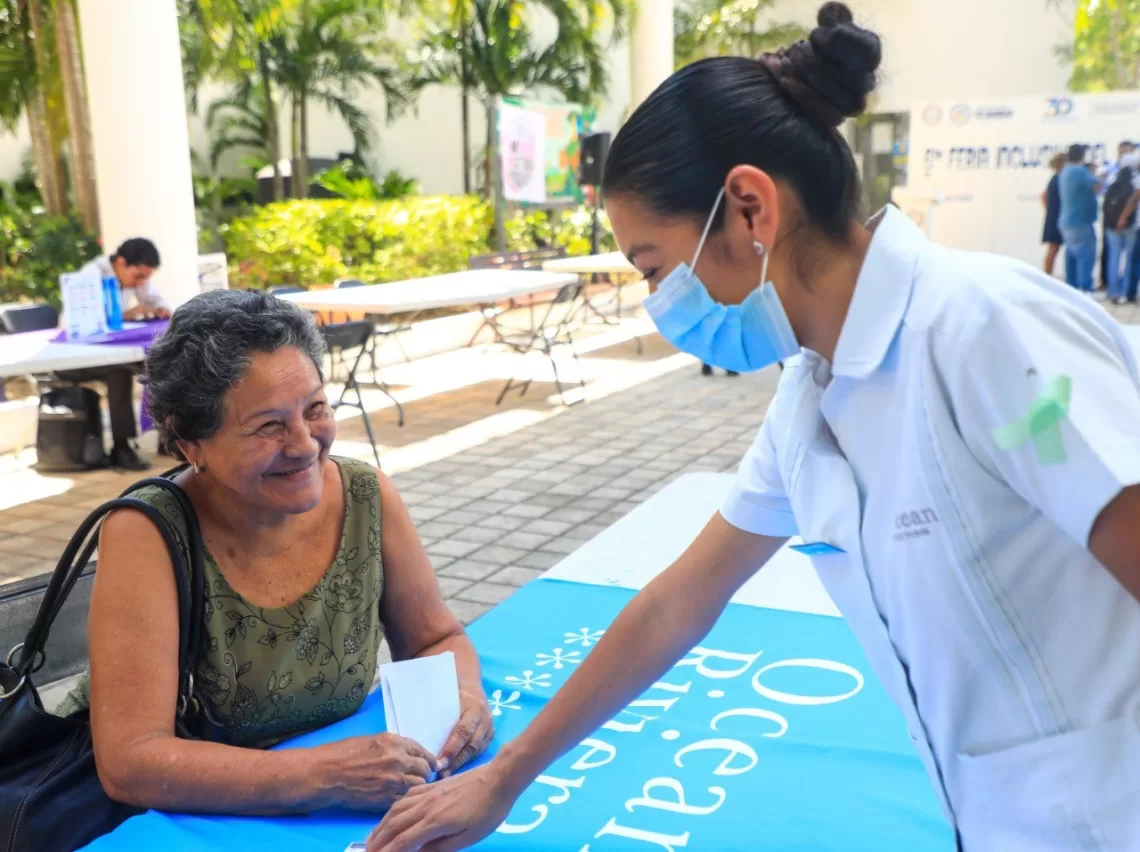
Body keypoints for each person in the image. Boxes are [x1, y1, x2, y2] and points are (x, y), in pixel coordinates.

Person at [368, 4, 1140, 850]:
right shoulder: (812, 398)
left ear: (748, 209)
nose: (662, 305)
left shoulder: (982, 332)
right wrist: (504, 777)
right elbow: (675, 604)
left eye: (654, 268)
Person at [56, 289, 493, 815]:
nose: (306, 444)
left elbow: (435, 637)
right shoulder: (147, 531)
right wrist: (326, 775)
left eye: (314, 409)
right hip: (180, 820)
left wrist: (463, 697)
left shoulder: (365, 495)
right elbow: (131, 762)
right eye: (269, 426)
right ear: (192, 446)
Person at [58, 238, 170, 470]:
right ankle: (122, 447)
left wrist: (159, 307)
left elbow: (153, 298)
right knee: (119, 369)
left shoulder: (134, 278)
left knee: (164, 360)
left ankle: (167, 436)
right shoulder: (90, 275)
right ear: (121, 262)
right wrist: (127, 315)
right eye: (138, 276)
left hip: (109, 352)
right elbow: (75, 323)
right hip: (75, 356)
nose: (141, 282)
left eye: (145, 278)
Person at [1059, 143, 1102, 296]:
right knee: (1086, 256)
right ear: (1082, 156)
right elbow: (1096, 187)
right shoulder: (1079, 171)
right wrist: (1103, 176)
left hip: (1067, 220)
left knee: (1071, 255)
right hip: (1080, 221)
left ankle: (1072, 288)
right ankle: (1085, 289)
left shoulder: (1065, 171)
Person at [1102, 149, 1140, 305]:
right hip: (1131, 224)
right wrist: (1124, 218)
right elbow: (1132, 201)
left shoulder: (1112, 177)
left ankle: (1113, 291)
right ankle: (1126, 291)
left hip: (1112, 223)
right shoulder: (1135, 179)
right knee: (1130, 259)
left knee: (1114, 258)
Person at [1097, 140, 1134, 289]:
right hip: (1111, 217)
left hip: (1132, 219)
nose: (1125, 155)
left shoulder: (1136, 171)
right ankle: (1108, 284)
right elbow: (1100, 189)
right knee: (1109, 252)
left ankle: (1127, 287)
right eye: (1122, 152)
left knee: (1130, 256)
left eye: (1128, 152)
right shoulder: (1110, 169)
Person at [1041, 152, 1065, 276]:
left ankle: (1047, 274)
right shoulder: (1059, 179)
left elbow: (1043, 196)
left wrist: (1049, 210)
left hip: (1054, 216)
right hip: (1056, 217)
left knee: (1053, 248)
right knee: (1053, 248)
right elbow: (1044, 196)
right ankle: (1047, 275)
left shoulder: (1055, 178)